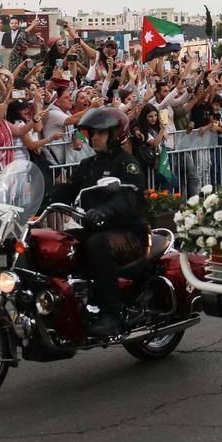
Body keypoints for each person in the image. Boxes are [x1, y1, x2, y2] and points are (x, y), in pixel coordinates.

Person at [49, 108, 148, 337]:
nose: (94, 137)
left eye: (101, 133)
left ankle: (111, 314)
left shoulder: (126, 164)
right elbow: (67, 190)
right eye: (92, 132)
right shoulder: (88, 165)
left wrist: (103, 211)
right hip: (97, 228)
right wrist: (36, 201)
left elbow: (128, 197)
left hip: (129, 233)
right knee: (61, 244)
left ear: (115, 134)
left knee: (97, 245)